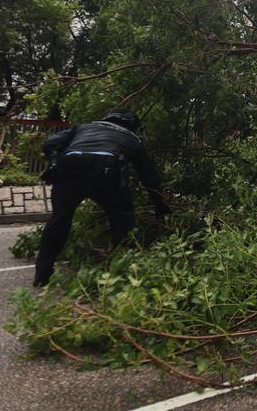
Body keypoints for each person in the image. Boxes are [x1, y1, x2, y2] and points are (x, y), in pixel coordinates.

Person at [33, 109, 169, 287]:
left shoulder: (83, 128)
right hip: (106, 172)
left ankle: (42, 275)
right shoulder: (132, 139)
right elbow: (149, 177)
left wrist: (55, 159)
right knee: (123, 218)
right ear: (133, 126)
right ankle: (123, 273)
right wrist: (161, 205)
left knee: (59, 220)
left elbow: (49, 143)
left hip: (70, 167)